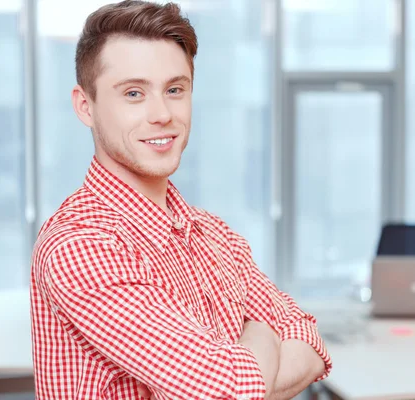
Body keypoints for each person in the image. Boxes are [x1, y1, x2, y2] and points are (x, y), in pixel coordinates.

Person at [30, 1, 332, 399]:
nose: (161, 114)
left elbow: (309, 342)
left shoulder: (213, 234)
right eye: (134, 93)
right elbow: (224, 390)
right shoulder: (82, 246)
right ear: (85, 105)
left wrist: (244, 373)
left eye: (174, 89)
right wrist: (260, 332)